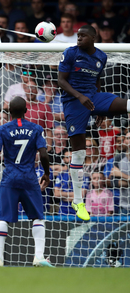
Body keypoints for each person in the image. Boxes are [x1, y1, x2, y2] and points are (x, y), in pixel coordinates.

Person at [58, 24, 130, 221]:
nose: (78, 38)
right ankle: (78, 200)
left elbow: (97, 81)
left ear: (93, 37)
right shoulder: (70, 53)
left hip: (93, 97)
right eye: (77, 36)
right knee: (79, 153)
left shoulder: (101, 57)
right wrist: (80, 97)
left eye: (82, 36)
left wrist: (101, 110)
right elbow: (61, 81)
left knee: (128, 104)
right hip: (73, 102)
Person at [0, 96, 53, 267]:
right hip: (30, 178)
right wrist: (46, 173)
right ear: (26, 111)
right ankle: (38, 256)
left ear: (8, 112)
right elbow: (44, 154)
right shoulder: (36, 129)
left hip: (10, 178)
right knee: (37, 217)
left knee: (3, 218)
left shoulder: (1, 130)